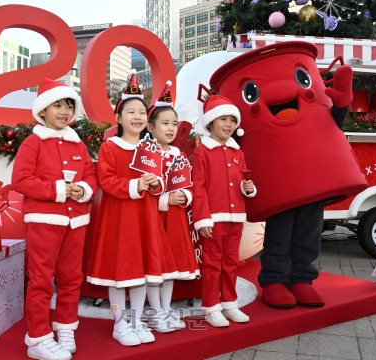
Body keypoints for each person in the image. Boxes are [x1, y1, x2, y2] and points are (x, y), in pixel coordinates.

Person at [86, 70, 178, 346]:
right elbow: (106, 180)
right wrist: (136, 185)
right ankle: (119, 323)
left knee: (142, 273)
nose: (137, 116)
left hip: (145, 218)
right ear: (119, 118)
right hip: (119, 219)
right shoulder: (110, 148)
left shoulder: (151, 149)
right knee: (119, 275)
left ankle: (136, 321)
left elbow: (162, 183)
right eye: (131, 112)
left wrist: (154, 184)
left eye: (141, 112)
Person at [11, 78, 97, 360]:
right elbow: (21, 180)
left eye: (69, 105)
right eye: (57, 104)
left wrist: (83, 190)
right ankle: (37, 338)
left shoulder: (78, 144)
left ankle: (66, 327)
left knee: (72, 277)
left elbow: (91, 178)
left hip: (76, 222)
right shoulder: (32, 142)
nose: (64, 111)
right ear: (43, 110)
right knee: (41, 280)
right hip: (45, 221)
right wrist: (59, 190)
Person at [192, 93, 255, 328]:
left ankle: (229, 303)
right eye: (223, 119)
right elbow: (198, 188)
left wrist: (248, 188)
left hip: (235, 217)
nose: (228, 124)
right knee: (212, 264)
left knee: (231, 263)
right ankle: (211, 306)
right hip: (213, 219)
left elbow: (241, 184)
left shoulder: (238, 153)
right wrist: (203, 218)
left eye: (232, 120)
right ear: (210, 123)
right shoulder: (202, 152)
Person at [145, 81, 199, 333]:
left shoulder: (178, 154)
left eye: (174, 124)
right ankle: (155, 311)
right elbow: (143, 190)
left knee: (171, 268)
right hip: (153, 218)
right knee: (155, 267)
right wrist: (165, 200)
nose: (170, 128)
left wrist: (184, 197)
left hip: (175, 220)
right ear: (151, 126)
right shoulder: (145, 153)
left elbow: (188, 184)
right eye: (164, 123)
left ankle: (166, 309)